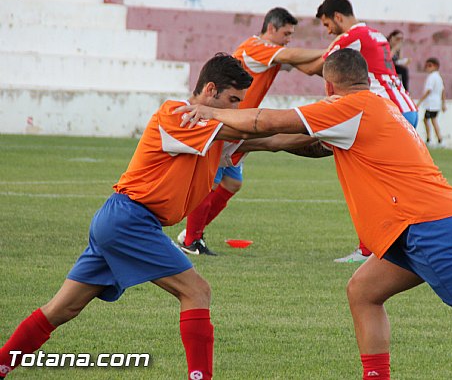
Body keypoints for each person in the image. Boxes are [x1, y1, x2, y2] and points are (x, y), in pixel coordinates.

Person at [174, 48, 452, 380]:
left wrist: (206, 114)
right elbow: (297, 142)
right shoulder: (377, 106)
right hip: (420, 227)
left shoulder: (350, 107)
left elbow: (266, 121)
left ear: (329, 86)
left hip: (427, 226)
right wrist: (242, 144)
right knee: (363, 291)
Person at [0, 53, 318, 380]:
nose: (235, 109)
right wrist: (318, 117)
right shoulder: (177, 114)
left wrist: (333, 140)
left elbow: (275, 140)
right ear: (210, 90)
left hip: (123, 221)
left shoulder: (216, 132)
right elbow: (258, 126)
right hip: (130, 219)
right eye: (232, 100)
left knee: (62, 308)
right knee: (197, 291)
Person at [177, 7, 326, 256]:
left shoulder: (272, 55)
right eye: (286, 33)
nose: (289, 39)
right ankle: (191, 240)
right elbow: (293, 54)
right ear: (271, 29)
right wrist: (332, 50)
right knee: (212, 181)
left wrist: (338, 67)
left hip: (241, 124)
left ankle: (192, 234)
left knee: (233, 182)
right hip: (228, 120)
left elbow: (308, 67)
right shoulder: (255, 47)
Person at [314, 0, 419, 263]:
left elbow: (318, 65)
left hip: (383, 113)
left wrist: (281, 58)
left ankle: (369, 249)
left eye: (327, 25)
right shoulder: (375, 33)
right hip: (404, 107)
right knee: (393, 184)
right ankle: (398, 240)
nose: (328, 32)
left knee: (365, 182)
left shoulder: (349, 36)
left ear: (338, 17)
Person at [417, 57, 446, 147]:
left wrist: (420, 101)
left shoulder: (432, 77)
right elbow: (443, 91)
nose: (427, 68)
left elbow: (429, 90)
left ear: (435, 66)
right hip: (435, 103)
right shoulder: (438, 77)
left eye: (430, 66)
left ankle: (437, 139)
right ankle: (433, 139)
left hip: (431, 103)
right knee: (428, 120)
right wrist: (443, 103)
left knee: (431, 120)